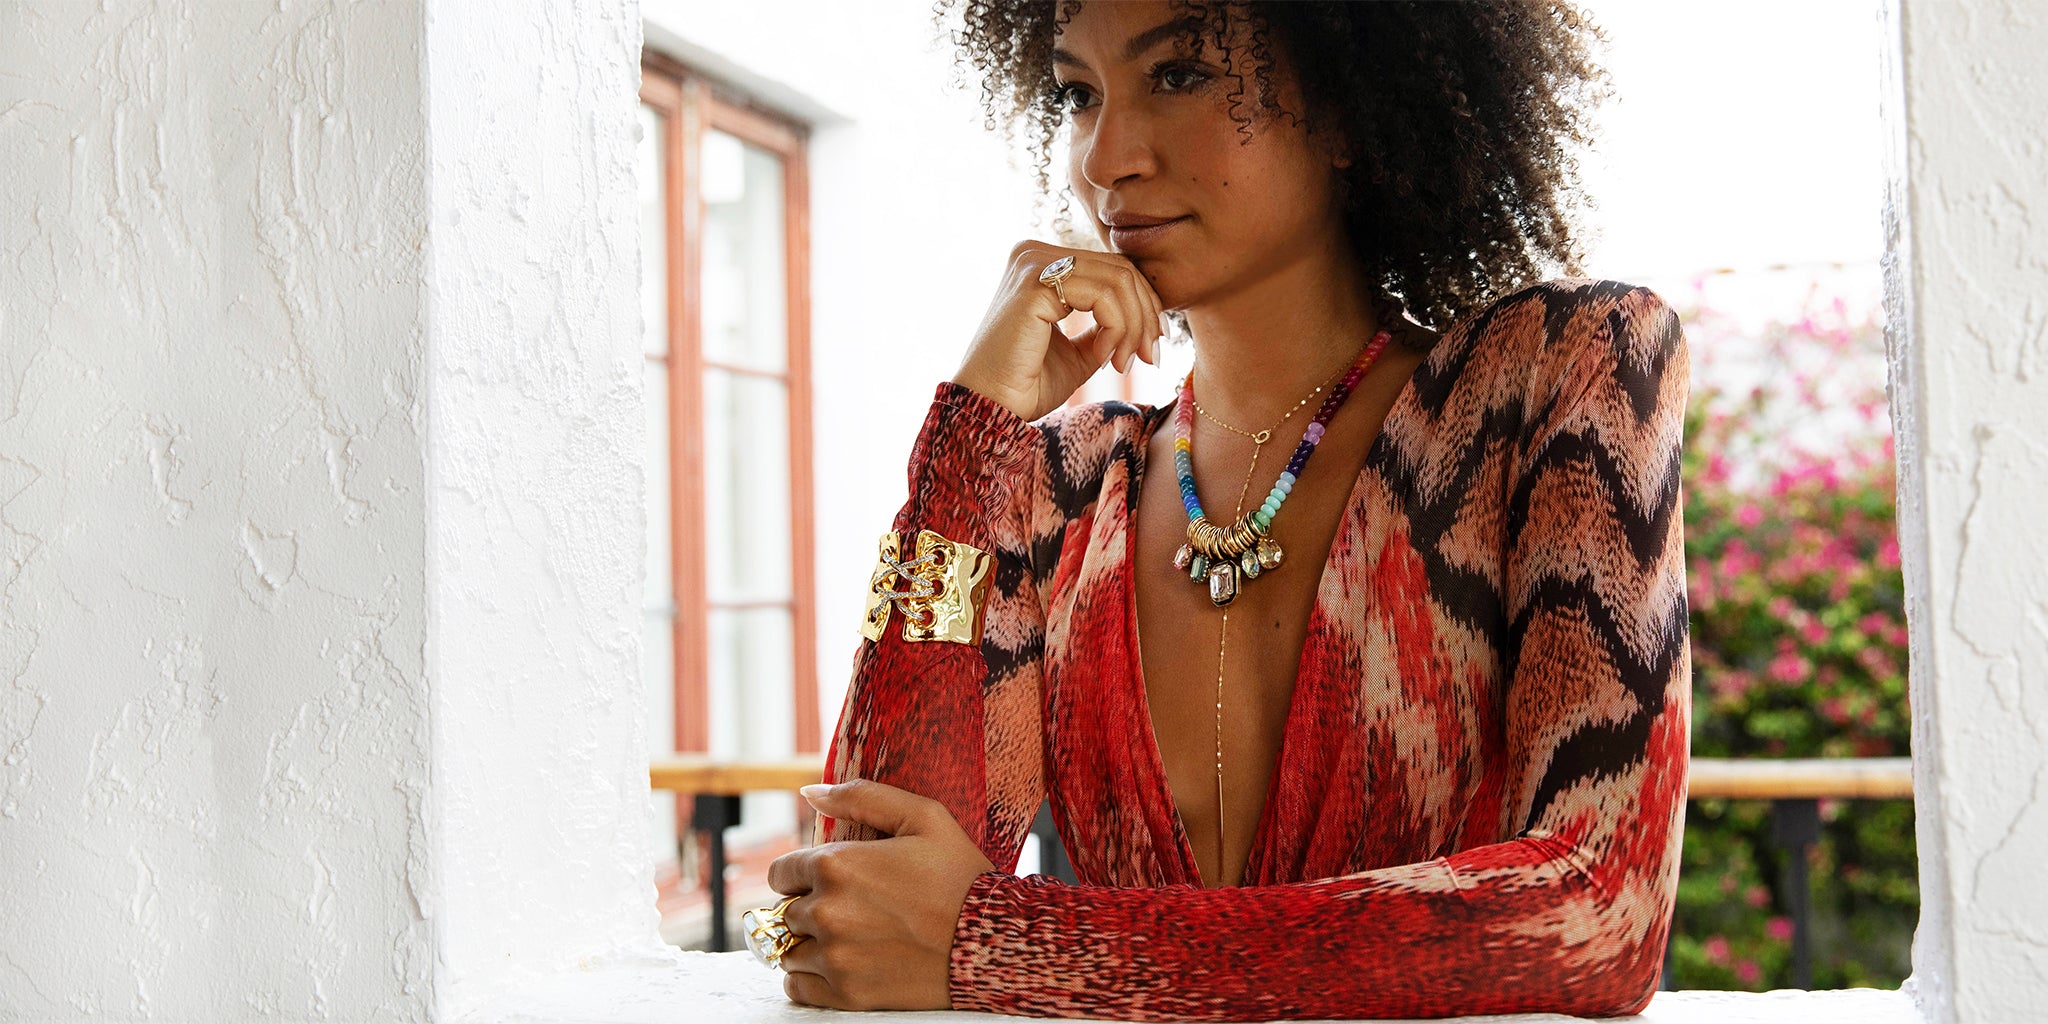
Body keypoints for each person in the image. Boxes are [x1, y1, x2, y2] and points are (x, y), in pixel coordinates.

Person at [756, 1, 1691, 1019]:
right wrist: (965, 444)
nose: (1104, 159)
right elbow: (861, 896)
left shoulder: (1555, 378)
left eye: (1178, 75)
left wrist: (1016, 945)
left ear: (1344, 107)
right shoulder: (1059, 486)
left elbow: (1602, 912)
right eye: (1078, 93)